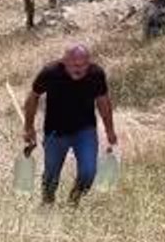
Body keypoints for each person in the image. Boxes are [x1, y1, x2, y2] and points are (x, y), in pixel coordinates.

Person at [23, 44, 117, 205]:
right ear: (64, 61)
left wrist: (110, 130)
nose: (79, 69)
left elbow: (103, 101)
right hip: (55, 131)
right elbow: (33, 97)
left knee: (88, 172)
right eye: (74, 65)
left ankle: (73, 201)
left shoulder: (96, 74)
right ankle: (47, 202)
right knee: (51, 174)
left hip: (85, 131)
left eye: (83, 65)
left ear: (89, 62)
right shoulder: (50, 72)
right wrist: (28, 127)